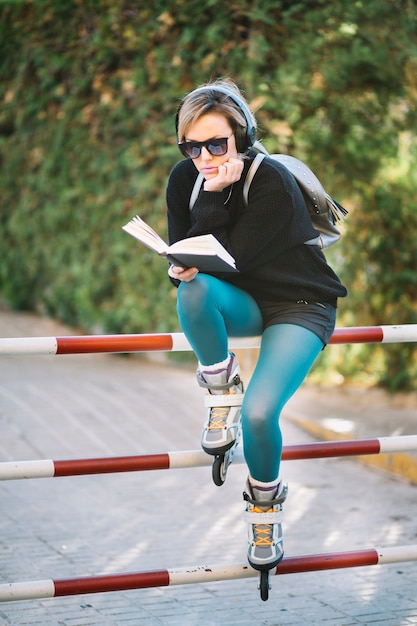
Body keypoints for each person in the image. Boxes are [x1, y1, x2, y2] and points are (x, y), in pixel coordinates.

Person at [166, 78, 347, 572]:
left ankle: (264, 510)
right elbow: (192, 262)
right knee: (193, 289)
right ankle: (221, 390)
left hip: (299, 301)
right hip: (244, 299)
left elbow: (232, 257)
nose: (203, 156)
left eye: (216, 144)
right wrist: (178, 266)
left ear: (241, 137)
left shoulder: (272, 182)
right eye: (191, 145)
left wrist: (214, 196)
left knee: (262, 415)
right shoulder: (184, 177)